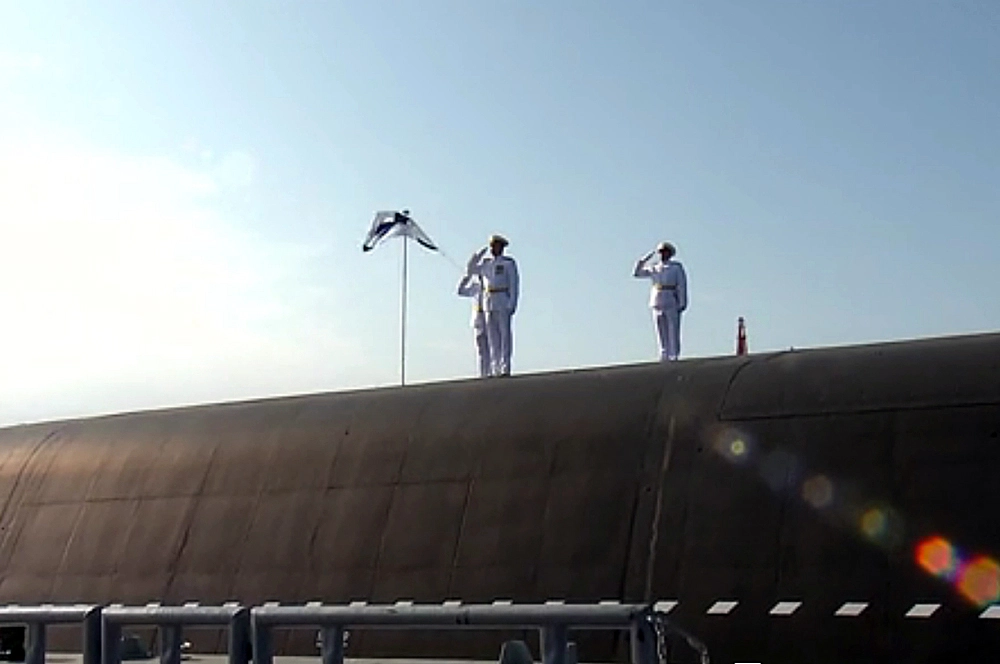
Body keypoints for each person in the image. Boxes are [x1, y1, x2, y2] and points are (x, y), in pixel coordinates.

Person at [469, 234, 519, 376]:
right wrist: (477, 256)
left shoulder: (508, 264)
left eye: (495, 246)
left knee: (504, 335)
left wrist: (512, 303)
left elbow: (514, 284)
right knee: (492, 337)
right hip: (488, 301)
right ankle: (495, 367)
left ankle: (505, 367)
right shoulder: (486, 264)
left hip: (502, 298)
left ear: (501, 248)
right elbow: (470, 269)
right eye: (491, 246)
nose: (492, 249)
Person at [633, 241, 688, 361]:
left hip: (671, 299)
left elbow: (681, 285)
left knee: (673, 329)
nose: (663, 254)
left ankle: (673, 354)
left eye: (665, 252)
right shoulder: (654, 267)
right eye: (661, 252)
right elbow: (637, 273)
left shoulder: (676, 267)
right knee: (660, 329)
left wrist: (682, 302)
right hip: (657, 300)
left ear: (670, 253)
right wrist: (644, 260)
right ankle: (664, 353)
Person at [457, 247, 490, 377]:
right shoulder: (475, 287)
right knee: (481, 349)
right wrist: (467, 277)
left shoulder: (490, 288)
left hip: (489, 318)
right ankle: (483, 373)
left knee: (491, 347)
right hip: (478, 320)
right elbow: (460, 291)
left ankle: (492, 371)